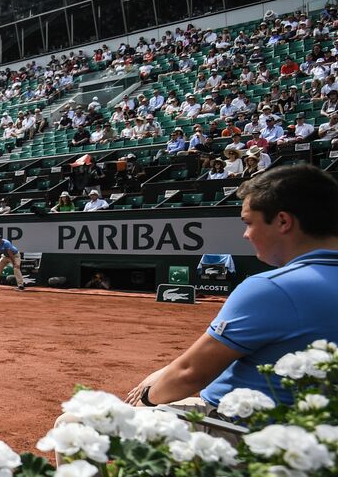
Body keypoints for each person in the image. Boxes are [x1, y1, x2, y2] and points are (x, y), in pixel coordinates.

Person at [127, 164, 338, 408]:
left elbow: (190, 373)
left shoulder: (270, 288)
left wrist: (144, 399)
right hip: (317, 428)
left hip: (239, 427)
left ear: (283, 221)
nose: (246, 235)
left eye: (248, 222)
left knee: (78, 422)